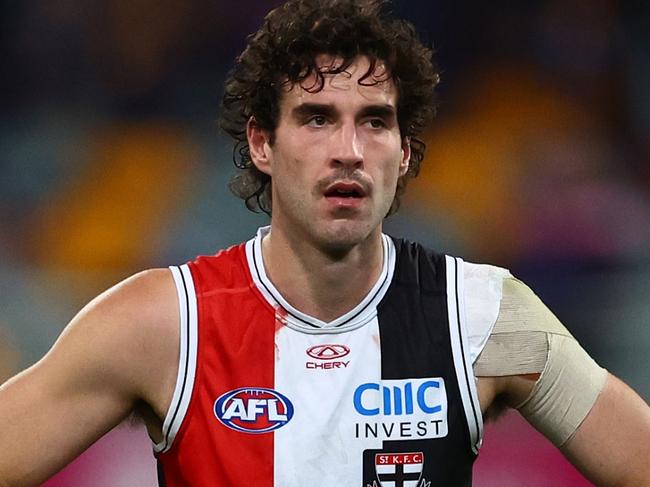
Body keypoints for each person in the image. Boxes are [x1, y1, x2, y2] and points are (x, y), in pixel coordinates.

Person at [1, 0, 649, 485]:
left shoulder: (486, 316)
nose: (348, 151)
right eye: (317, 119)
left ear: (404, 152)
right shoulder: (161, 324)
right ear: (261, 143)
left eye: (375, 122)